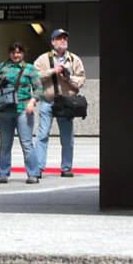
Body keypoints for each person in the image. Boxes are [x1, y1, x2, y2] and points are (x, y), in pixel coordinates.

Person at [33, 29, 86, 178]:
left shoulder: (74, 59)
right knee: (42, 135)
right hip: (48, 101)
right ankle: (38, 168)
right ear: (52, 42)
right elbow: (34, 75)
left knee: (67, 137)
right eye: (59, 38)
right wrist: (52, 71)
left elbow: (81, 80)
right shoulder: (43, 59)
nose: (63, 41)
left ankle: (66, 168)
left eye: (65, 38)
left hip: (66, 103)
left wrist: (68, 78)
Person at [0, 42, 43, 184]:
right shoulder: (3, 67)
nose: (16, 55)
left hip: (23, 109)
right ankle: (3, 173)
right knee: (5, 144)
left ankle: (33, 173)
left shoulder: (30, 69)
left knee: (26, 143)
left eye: (19, 52)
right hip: (5, 109)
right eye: (13, 52)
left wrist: (33, 101)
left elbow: (38, 88)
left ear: (23, 53)